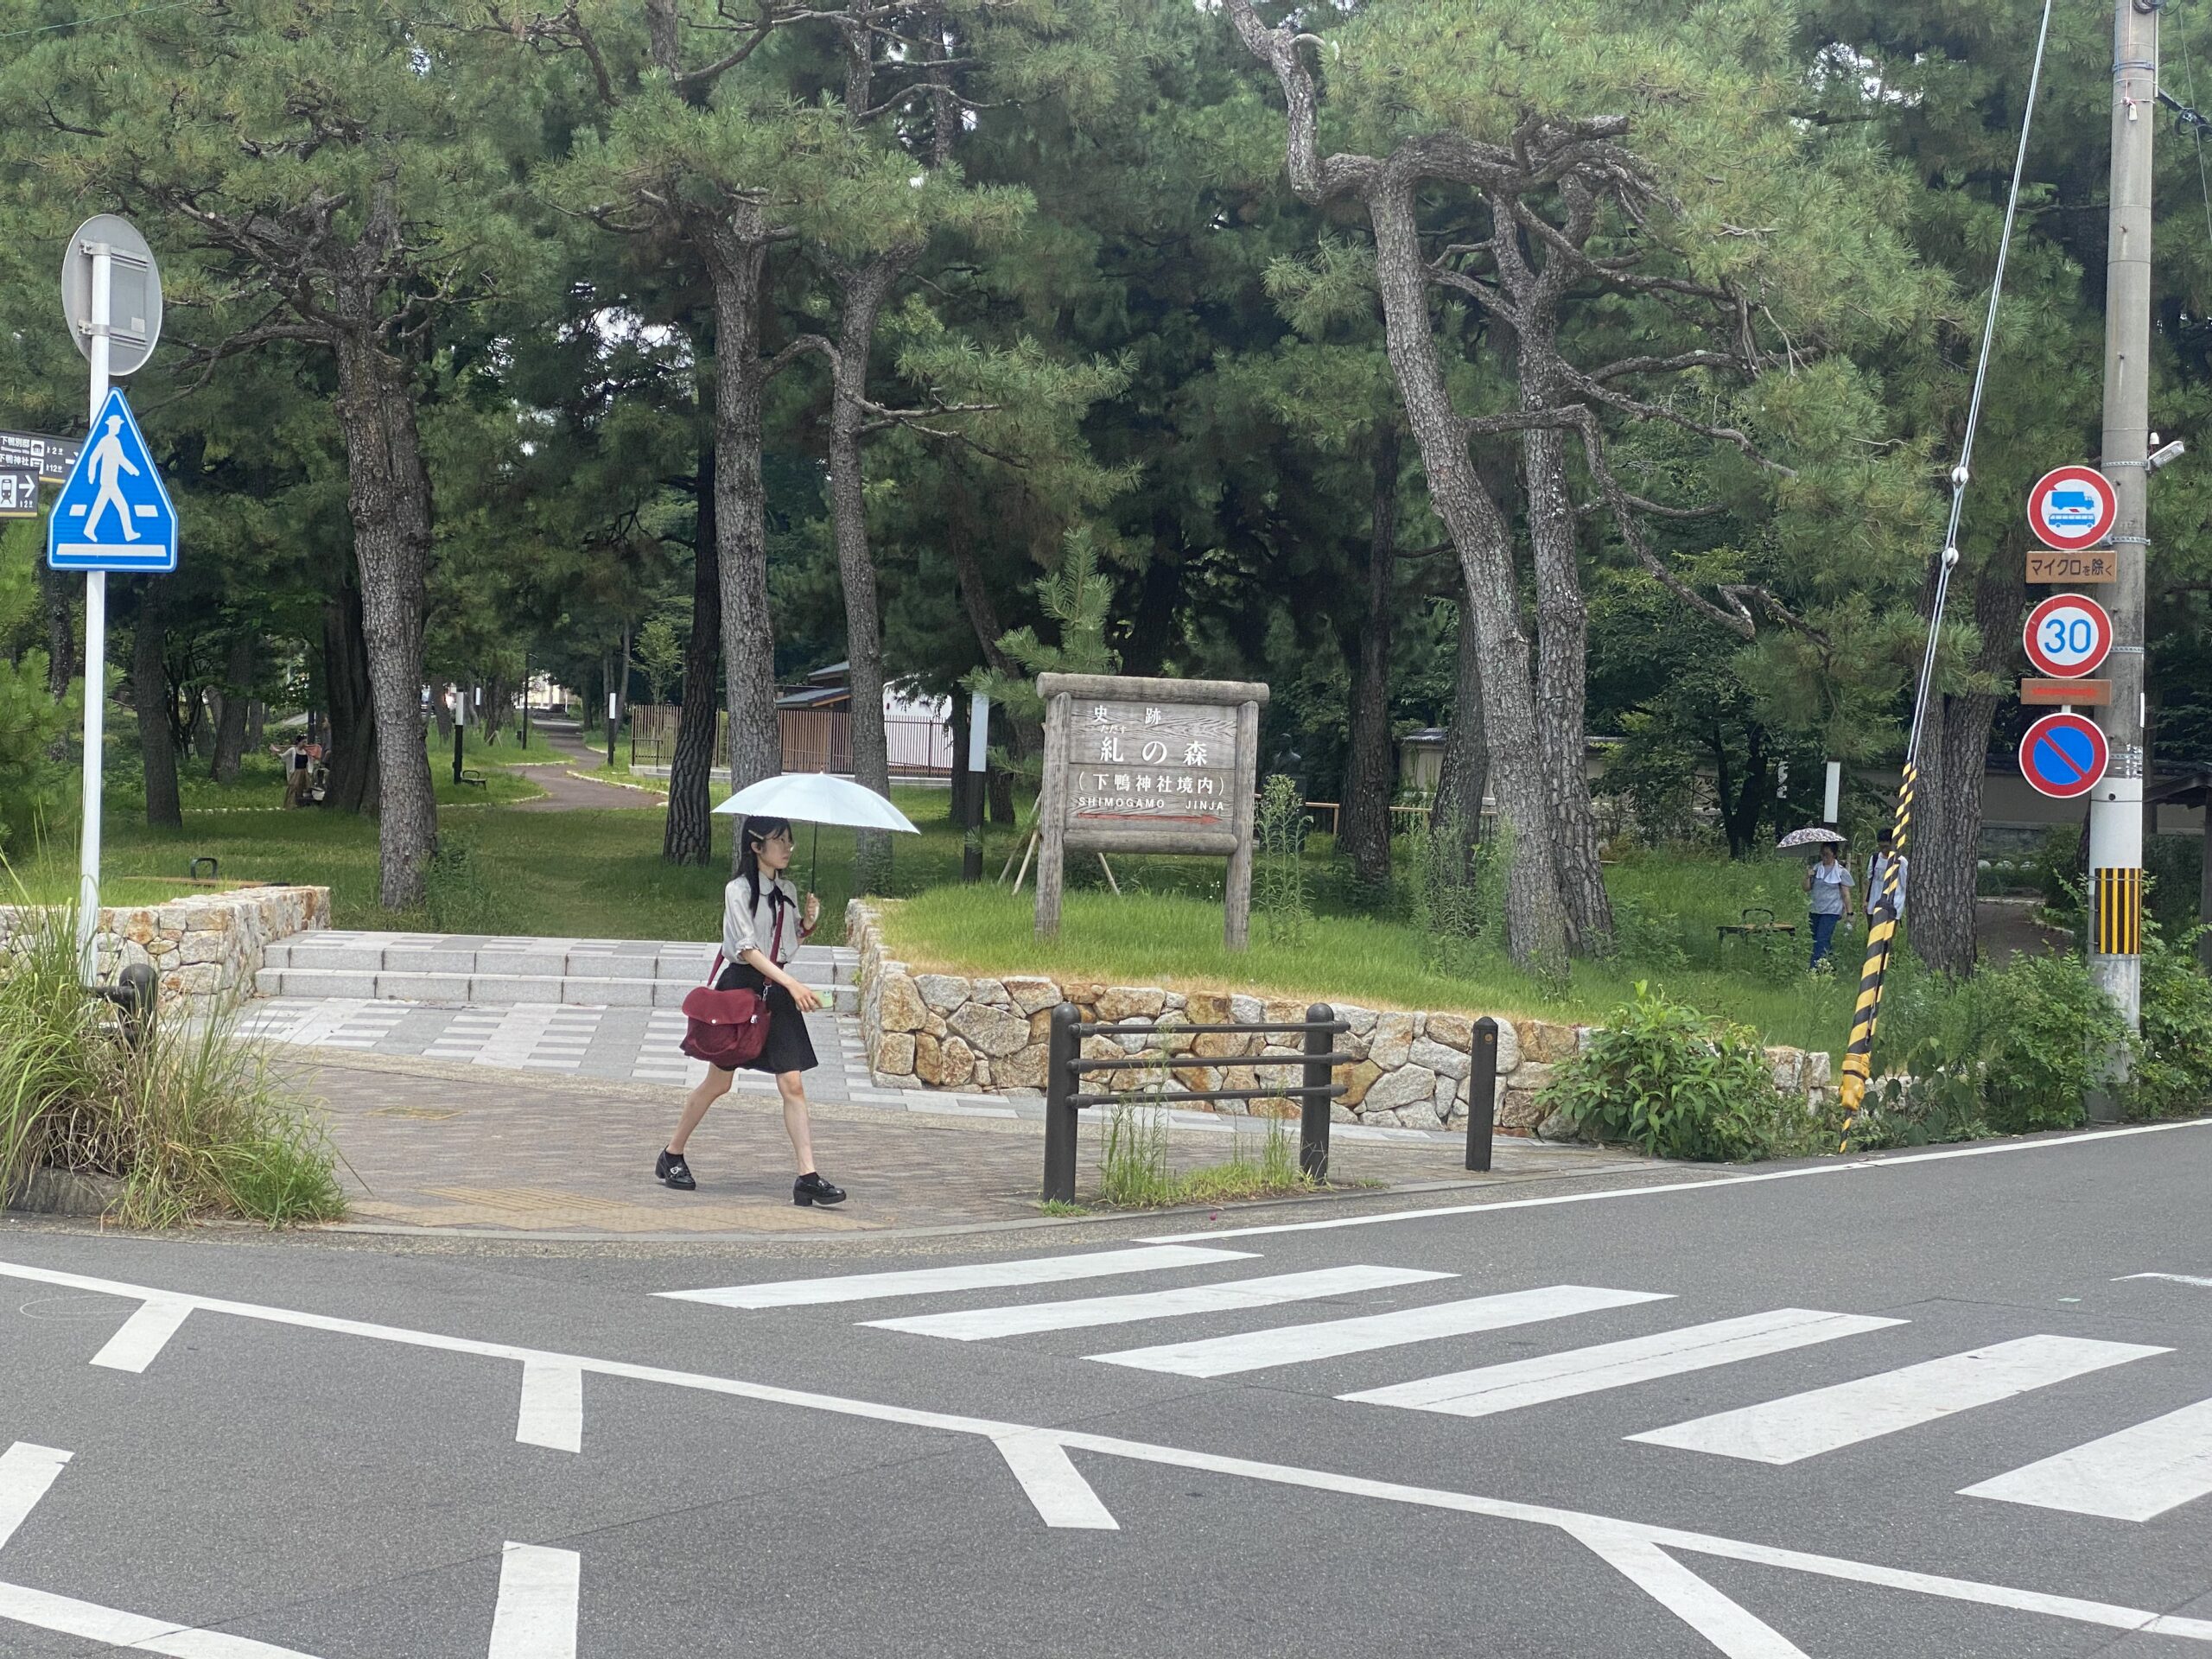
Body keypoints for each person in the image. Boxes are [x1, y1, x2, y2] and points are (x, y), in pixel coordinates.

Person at [658, 816, 846, 1205]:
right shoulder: (737, 890)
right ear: (756, 847)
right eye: (779, 841)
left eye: (790, 840)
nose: (788, 848)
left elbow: (785, 942)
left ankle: (807, 1177)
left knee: (792, 1083)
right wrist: (792, 984)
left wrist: (807, 923)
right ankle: (671, 1154)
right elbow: (746, 950)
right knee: (719, 1083)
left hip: (775, 992)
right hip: (741, 990)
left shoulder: (788, 889)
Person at [1804, 842, 1854, 968]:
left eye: (1827, 854)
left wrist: (1850, 913)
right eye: (1822, 853)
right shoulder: (1816, 868)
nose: (1824, 856)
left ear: (1834, 854)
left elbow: (1846, 894)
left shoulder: (1841, 872)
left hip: (1831, 911)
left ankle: (1814, 969)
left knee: (1821, 939)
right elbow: (1806, 888)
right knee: (1817, 939)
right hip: (1815, 909)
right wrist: (1807, 876)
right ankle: (1830, 964)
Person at [1865, 831, 1909, 922]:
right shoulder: (1875, 858)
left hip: (1893, 904)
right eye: (1881, 847)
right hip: (1874, 903)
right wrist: (1866, 900)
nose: (1883, 850)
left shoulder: (1901, 861)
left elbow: (1905, 884)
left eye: (1886, 847)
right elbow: (1870, 880)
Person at [282, 735, 310, 808]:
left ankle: (300, 804)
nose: (305, 744)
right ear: (299, 742)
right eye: (303, 742)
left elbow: (310, 761)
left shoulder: (306, 751)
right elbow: (284, 756)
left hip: (304, 772)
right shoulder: (293, 750)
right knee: (293, 786)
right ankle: (290, 804)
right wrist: (276, 752)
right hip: (296, 771)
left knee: (303, 788)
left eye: (305, 742)